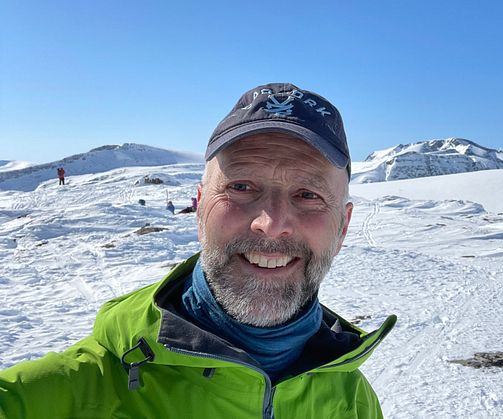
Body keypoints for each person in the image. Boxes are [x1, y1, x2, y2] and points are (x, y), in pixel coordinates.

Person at [0, 83, 396, 418]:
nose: (270, 224)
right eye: (241, 187)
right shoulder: (73, 393)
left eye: (308, 195)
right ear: (200, 207)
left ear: (342, 227)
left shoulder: (354, 402)